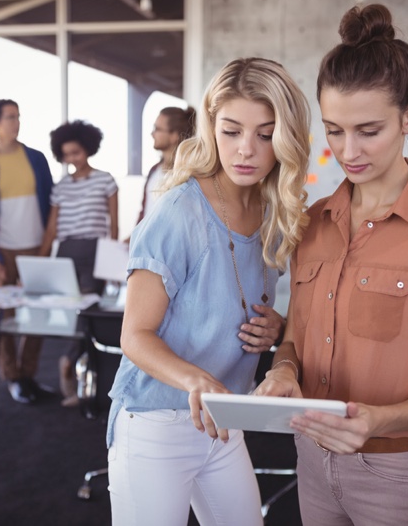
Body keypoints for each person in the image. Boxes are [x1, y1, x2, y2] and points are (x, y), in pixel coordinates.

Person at [253, 4, 408, 525]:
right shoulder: (315, 223)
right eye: (334, 130)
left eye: (369, 130)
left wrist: (380, 420)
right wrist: (282, 371)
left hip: (404, 475)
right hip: (313, 464)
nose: (348, 150)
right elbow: (294, 339)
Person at [106, 57, 311, 525]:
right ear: (210, 126)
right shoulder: (179, 211)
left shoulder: (273, 213)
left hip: (223, 422)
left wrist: (275, 327)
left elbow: (240, 303)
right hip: (155, 423)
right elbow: (134, 335)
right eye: (231, 130)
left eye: (265, 134)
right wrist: (196, 380)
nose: (246, 150)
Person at [0, 99, 55, 405]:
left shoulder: (37, 159)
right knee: (5, 316)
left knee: (38, 315)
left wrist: (45, 250)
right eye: (9, 117)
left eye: (18, 116)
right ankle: (12, 377)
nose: (15, 122)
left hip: (36, 248)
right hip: (3, 251)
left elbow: (52, 207)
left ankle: (29, 374)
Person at [39, 120, 119, 406]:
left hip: (95, 251)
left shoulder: (106, 180)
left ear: (88, 148)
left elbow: (114, 226)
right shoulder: (60, 187)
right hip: (66, 251)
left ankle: (72, 364)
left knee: (88, 313)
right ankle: (73, 368)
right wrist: (39, 264)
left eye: (76, 152)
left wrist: (113, 264)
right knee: (67, 313)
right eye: (67, 154)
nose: (72, 159)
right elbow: (51, 229)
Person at [137, 105, 196, 223]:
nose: (152, 134)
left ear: (174, 136)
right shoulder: (154, 170)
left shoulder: (190, 174)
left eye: (157, 129)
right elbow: (144, 214)